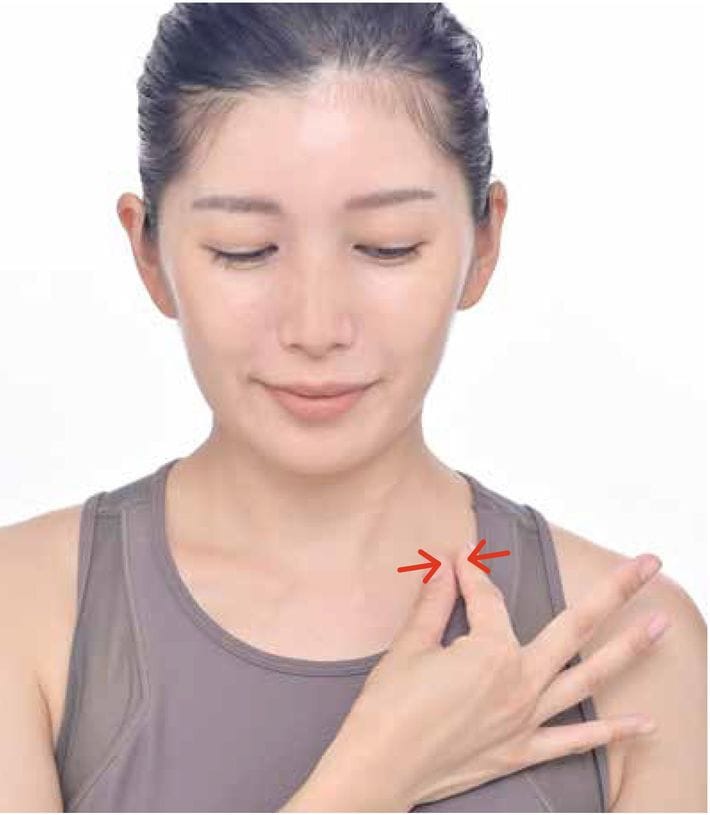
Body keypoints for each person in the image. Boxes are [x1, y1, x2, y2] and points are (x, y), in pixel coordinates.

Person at [0, 3, 705, 812]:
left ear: (484, 243)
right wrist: (379, 768)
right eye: (244, 251)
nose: (316, 326)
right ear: (148, 252)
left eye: (387, 245)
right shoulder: (25, 613)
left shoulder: (627, 647)